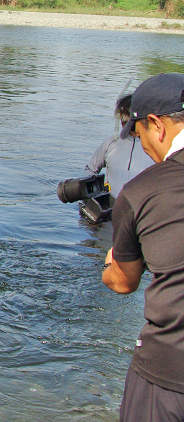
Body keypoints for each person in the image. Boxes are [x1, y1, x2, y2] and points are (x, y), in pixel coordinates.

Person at [102, 72, 184, 421]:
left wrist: (110, 260)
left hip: (170, 372)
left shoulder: (144, 191)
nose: (145, 149)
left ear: (156, 125)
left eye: (139, 135)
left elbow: (123, 281)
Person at [85, 93, 155, 201]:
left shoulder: (154, 147)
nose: (123, 122)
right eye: (122, 118)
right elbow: (90, 169)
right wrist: (93, 196)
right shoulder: (111, 142)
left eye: (127, 118)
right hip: (112, 210)